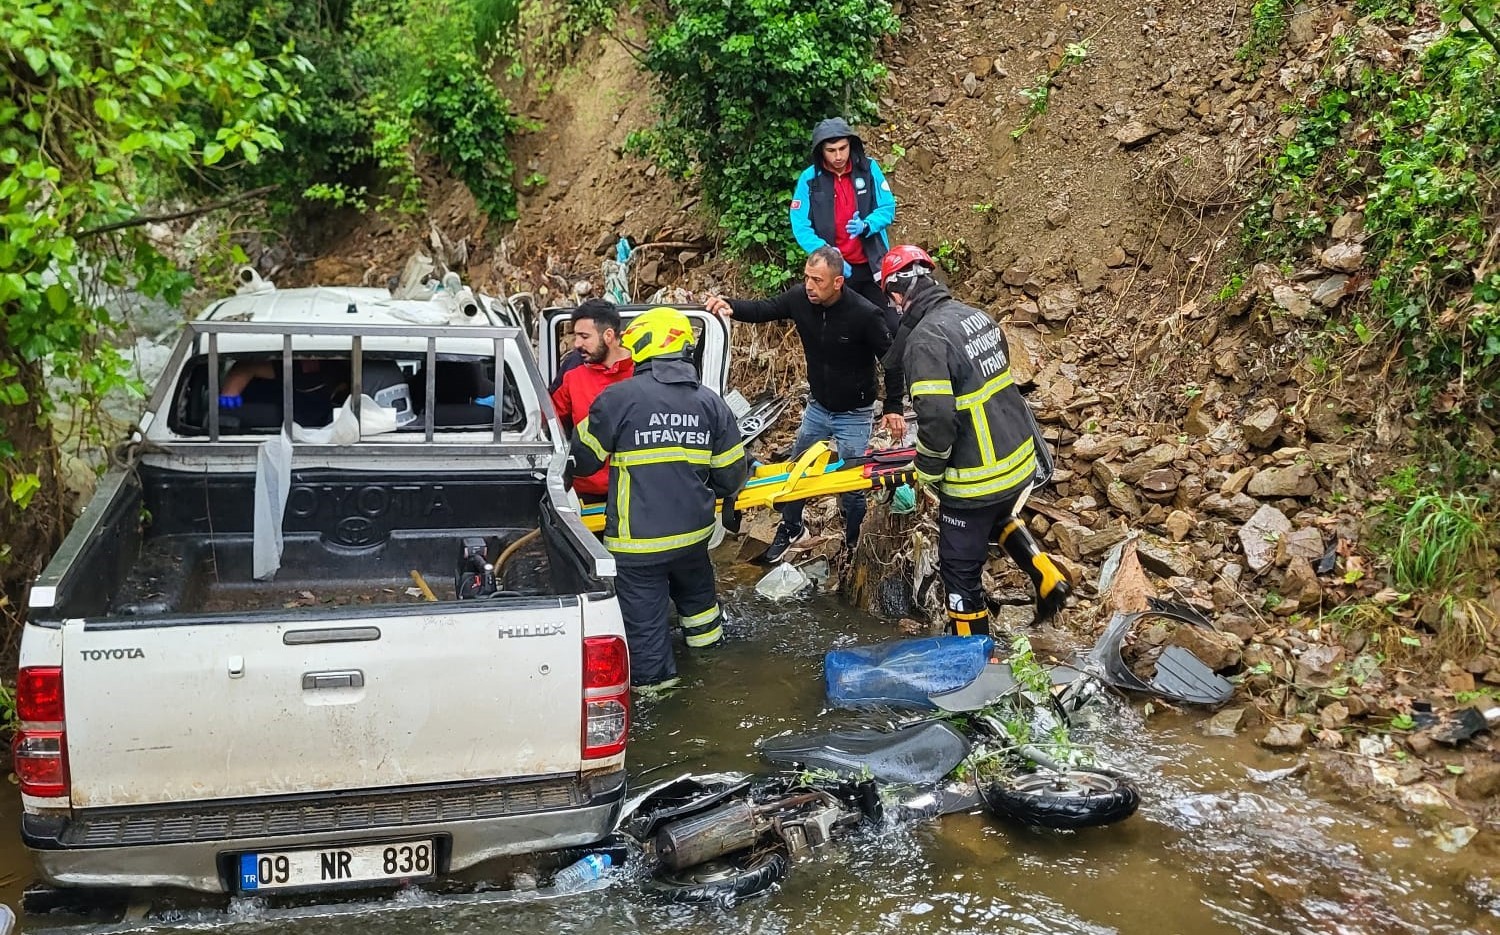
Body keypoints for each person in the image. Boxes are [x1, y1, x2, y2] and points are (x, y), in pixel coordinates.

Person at [878, 244, 1072, 635]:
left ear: (898, 295)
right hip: (1017, 459)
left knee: (959, 570)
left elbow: (937, 418)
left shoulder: (925, 341)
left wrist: (927, 470)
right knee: (999, 517)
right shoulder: (975, 317)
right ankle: (1047, 576)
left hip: (977, 476)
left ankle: (974, 656)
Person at [570, 307, 749, 692]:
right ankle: (713, 675)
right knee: (702, 618)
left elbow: (582, 461)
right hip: (694, 540)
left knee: (646, 634)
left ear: (643, 348)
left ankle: (659, 699)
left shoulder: (617, 398)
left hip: (638, 548)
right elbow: (732, 476)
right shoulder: (711, 402)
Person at [705, 245, 906, 561]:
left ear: (838, 282)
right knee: (796, 471)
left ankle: (852, 541)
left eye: (818, 280)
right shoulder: (800, 298)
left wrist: (894, 407)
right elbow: (764, 309)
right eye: (807, 277)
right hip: (818, 407)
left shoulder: (865, 314)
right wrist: (729, 305)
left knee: (851, 483)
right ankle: (791, 527)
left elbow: (892, 362)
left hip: (855, 412)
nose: (810, 286)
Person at [790, 117, 899, 333]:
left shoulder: (869, 169)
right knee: (842, 331)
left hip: (873, 265)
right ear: (821, 151)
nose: (838, 156)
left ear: (851, 145)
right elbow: (800, 224)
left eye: (843, 148)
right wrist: (826, 251)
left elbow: (888, 207)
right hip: (836, 270)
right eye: (831, 151)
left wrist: (867, 225)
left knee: (893, 326)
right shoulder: (809, 179)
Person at [550, 299, 634, 499]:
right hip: (586, 494)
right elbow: (549, 420)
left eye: (584, 336)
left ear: (608, 336)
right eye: (576, 336)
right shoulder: (573, 374)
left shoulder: (640, 371)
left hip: (635, 493)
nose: (577, 344)